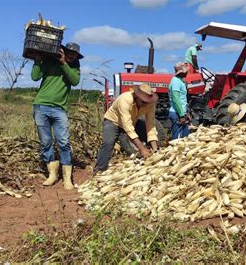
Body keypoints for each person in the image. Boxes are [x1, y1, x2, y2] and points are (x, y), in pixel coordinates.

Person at [31, 42, 82, 190]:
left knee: (63, 142)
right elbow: (35, 77)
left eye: (75, 55)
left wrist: (64, 63)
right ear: (63, 51)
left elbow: (75, 81)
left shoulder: (74, 68)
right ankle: (52, 174)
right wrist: (37, 60)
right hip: (41, 106)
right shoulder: (48, 61)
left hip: (60, 109)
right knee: (45, 142)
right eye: (69, 53)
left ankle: (67, 179)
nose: (72, 56)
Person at [94, 84, 159, 173]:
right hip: (113, 121)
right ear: (136, 97)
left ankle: (143, 163)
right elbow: (127, 126)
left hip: (132, 121)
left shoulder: (149, 104)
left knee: (147, 137)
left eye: (147, 102)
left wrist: (155, 149)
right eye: (143, 102)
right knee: (108, 143)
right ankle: (99, 169)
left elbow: (150, 124)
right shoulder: (124, 100)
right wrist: (142, 148)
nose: (146, 105)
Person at [168, 62, 190, 140]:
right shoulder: (176, 81)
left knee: (185, 138)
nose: (187, 72)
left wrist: (186, 113)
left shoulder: (180, 81)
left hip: (180, 113)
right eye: (186, 71)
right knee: (177, 140)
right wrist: (181, 115)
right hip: (177, 114)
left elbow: (182, 99)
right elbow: (176, 99)